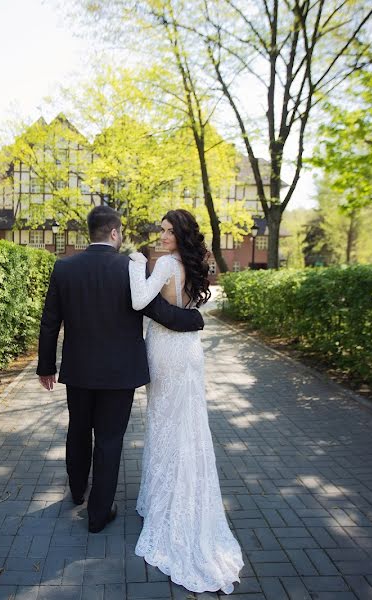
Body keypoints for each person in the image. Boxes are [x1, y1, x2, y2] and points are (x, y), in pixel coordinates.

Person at [36, 205, 205, 534]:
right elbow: (158, 311)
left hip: (79, 370)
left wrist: (46, 366)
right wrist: (194, 319)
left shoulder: (64, 267)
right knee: (110, 440)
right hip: (121, 373)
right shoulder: (130, 268)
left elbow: (49, 322)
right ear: (114, 233)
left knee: (78, 429)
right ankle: (99, 514)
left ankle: (75, 491)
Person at [128, 209, 243, 594]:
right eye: (160, 231)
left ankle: (166, 503)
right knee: (187, 425)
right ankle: (173, 492)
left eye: (167, 231)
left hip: (164, 352)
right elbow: (196, 312)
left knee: (163, 425)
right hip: (190, 352)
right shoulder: (198, 266)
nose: (161, 236)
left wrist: (135, 264)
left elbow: (138, 300)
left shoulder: (164, 267)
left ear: (180, 235)